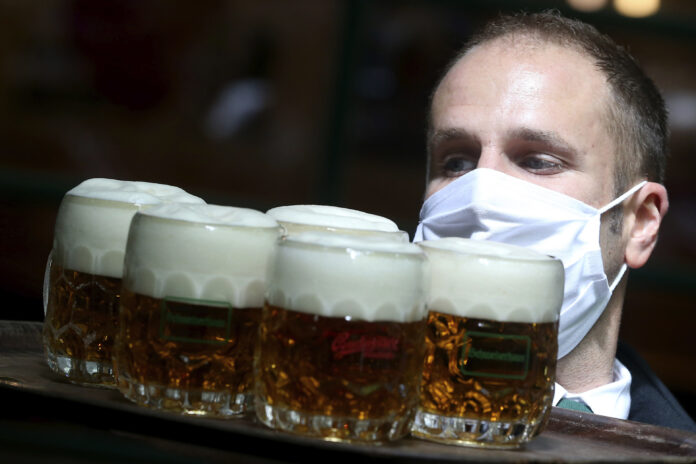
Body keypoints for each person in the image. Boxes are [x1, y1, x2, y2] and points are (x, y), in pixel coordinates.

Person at [414, 10, 696, 432]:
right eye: (457, 162)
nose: (480, 198)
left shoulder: (677, 447)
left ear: (639, 223)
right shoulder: (348, 406)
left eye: (538, 161)